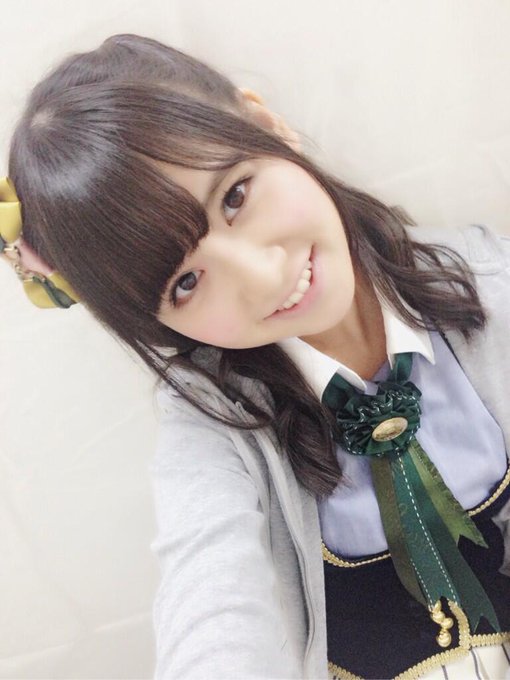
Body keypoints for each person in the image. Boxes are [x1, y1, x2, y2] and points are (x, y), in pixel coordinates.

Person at [1, 33, 509, 680]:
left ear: (266, 125)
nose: (263, 278)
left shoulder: (492, 286)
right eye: (186, 282)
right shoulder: (214, 422)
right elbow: (208, 594)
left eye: (236, 196)